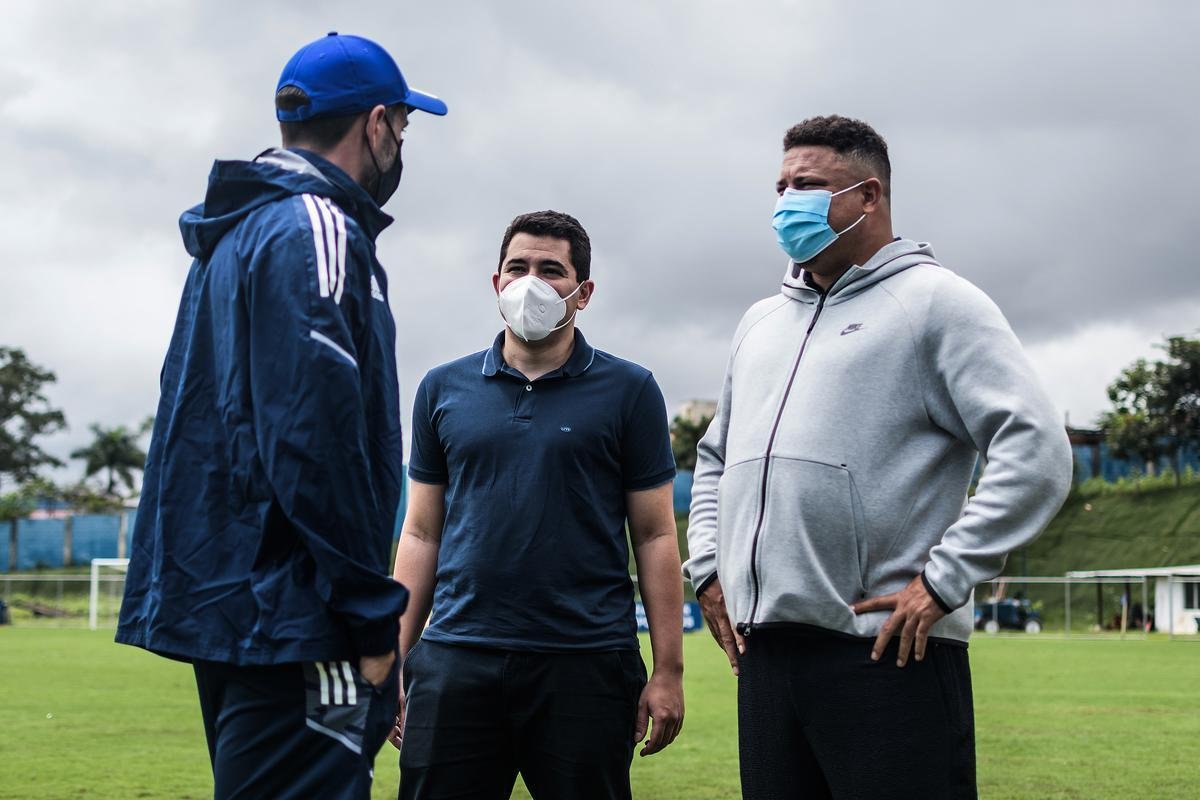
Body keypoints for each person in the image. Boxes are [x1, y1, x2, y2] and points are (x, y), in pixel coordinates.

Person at [683, 115, 1072, 799]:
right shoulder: (760, 323)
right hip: (766, 659)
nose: (785, 203)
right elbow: (715, 458)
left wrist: (946, 578)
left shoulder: (936, 303)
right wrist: (709, 568)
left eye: (808, 185)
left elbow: (1036, 449)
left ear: (869, 196)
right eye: (780, 186)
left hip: (887, 652)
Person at [115, 32, 446, 799]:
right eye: (403, 124)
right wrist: (371, 622)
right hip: (299, 619)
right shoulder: (317, 227)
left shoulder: (231, 238)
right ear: (375, 124)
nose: (401, 142)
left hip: (233, 610)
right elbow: (312, 437)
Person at [391, 210, 685, 800]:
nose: (531, 281)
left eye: (551, 270)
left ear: (583, 292)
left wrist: (669, 671)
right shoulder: (442, 388)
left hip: (586, 661)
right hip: (456, 656)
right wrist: (394, 654)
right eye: (517, 267)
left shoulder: (630, 390)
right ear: (497, 283)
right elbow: (421, 533)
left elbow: (655, 536)